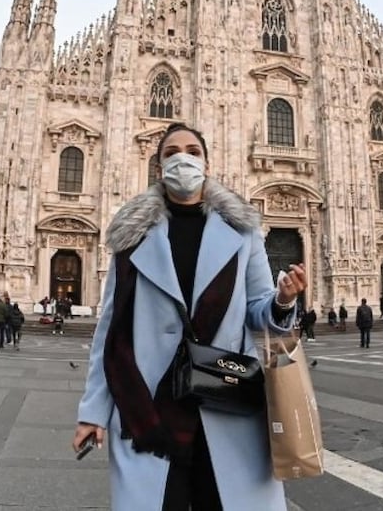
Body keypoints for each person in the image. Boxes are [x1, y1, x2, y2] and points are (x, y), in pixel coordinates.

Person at [73, 122, 305, 511]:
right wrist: (92, 412)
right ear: (158, 165)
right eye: (172, 152)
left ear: (207, 164)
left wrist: (283, 301)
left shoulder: (243, 231)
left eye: (193, 151)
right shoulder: (131, 235)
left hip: (225, 396)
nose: (183, 158)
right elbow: (110, 333)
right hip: (149, 404)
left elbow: (260, 309)